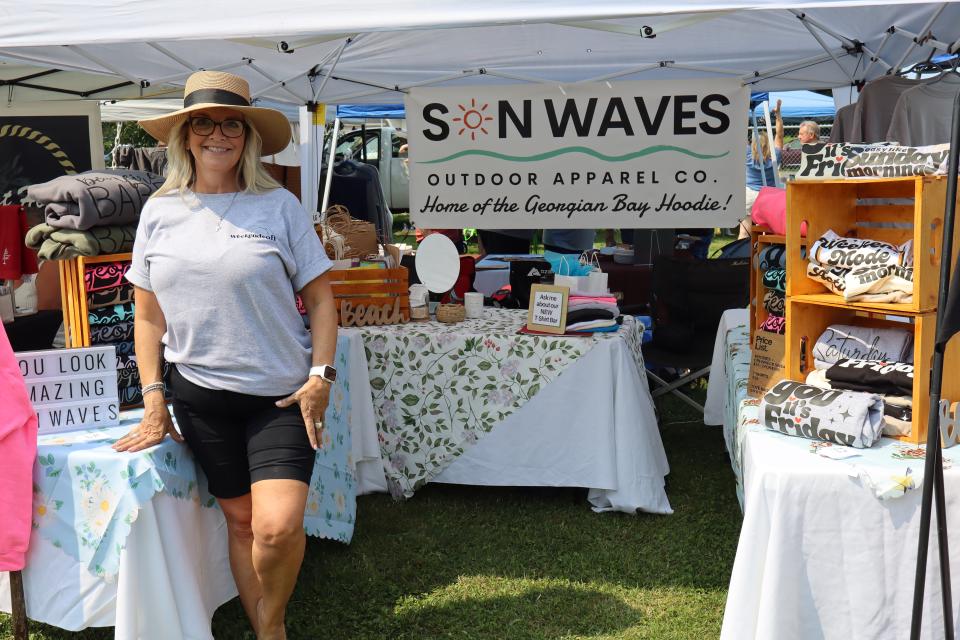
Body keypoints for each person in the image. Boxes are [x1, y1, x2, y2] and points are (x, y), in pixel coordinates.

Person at [112, 71, 339, 640]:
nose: (218, 134)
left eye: (231, 123)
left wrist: (321, 376)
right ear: (185, 136)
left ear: (247, 135)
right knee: (241, 524)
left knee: (277, 528)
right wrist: (154, 399)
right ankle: (266, 631)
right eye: (204, 123)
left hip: (281, 395)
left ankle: (273, 623)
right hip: (201, 398)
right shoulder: (159, 212)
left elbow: (320, 299)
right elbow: (148, 316)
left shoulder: (279, 206)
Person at [741, 99, 783, 238]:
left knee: (744, 232)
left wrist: (741, 112)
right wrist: (778, 115)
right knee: (770, 233)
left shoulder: (747, 155)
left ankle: (738, 258)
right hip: (770, 196)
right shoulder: (775, 157)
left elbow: (739, 134)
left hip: (750, 195)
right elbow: (779, 135)